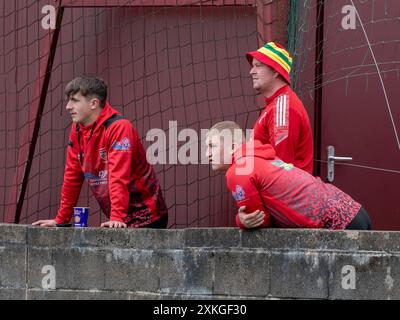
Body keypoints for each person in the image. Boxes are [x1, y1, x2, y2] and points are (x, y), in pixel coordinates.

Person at [33, 76, 168, 229]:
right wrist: (61, 219)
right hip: (118, 221)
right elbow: (72, 176)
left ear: (94, 103)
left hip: (148, 218)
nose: (68, 107)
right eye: (69, 101)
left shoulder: (119, 127)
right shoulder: (77, 130)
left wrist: (117, 216)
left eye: (75, 100)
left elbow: (118, 176)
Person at [205, 121, 372, 230]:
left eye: (211, 146)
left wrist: (240, 221)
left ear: (233, 147)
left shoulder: (239, 170)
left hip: (341, 224)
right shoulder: (261, 156)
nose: (207, 154)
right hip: (354, 210)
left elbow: (259, 221)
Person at [246, 42, 313, 174]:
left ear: (276, 71)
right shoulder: (276, 104)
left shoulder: (283, 107)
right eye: (252, 66)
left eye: (258, 66)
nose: (251, 71)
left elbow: (281, 170)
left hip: (285, 193)